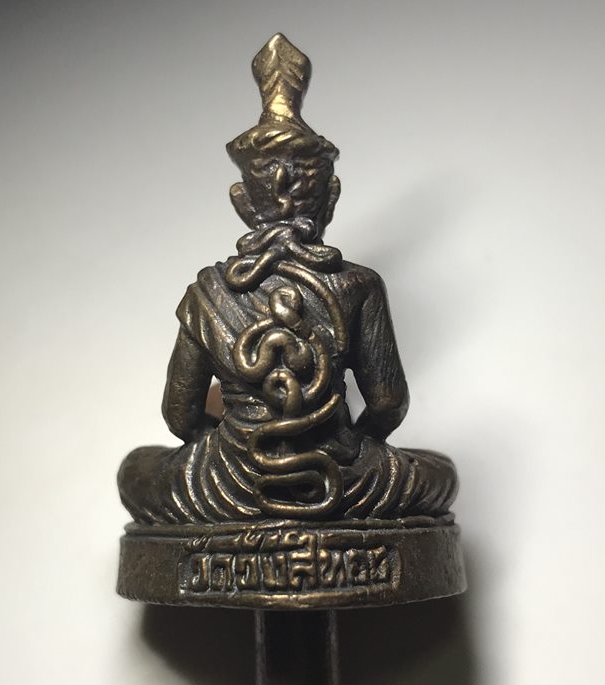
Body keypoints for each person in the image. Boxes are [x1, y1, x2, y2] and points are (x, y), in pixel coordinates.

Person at [118, 34, 457, 526]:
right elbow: (387, 405)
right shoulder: (357, 285)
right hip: (338, 479)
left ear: (241, 202)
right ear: (331, 197)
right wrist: (344, 448)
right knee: (439, 474)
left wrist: (237, 447)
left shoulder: (209, 292)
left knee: (137, 470)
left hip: (232, 481)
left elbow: (180, 416)